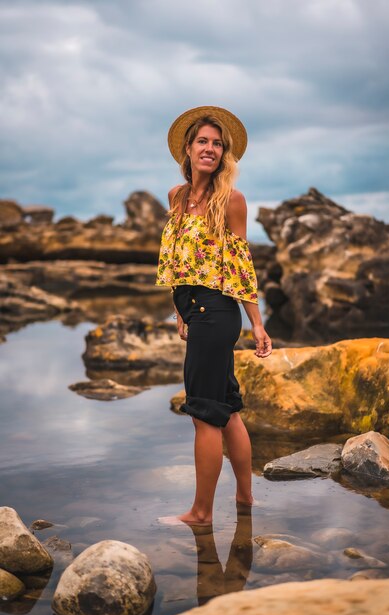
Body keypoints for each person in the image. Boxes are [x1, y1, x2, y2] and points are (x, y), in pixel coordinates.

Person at [156, 105, 272, 526]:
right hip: (195, 310)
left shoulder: (231, 201)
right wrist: (179, 311)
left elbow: (241, 266)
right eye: (202, 141)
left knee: (204, 413)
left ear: (225, 155)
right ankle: (245, 499)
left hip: (219, 312)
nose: (210, 149)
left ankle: (201, 513)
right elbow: (176, 261)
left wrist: (256, 323)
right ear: (187, 150)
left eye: (217, 144)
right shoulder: (176, 197)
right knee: (228, 408)